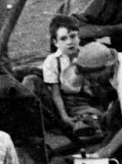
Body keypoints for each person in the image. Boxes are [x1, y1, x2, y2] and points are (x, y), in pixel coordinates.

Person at [39, 14, 106, 143]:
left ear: (79, 37)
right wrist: (64, 116)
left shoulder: (87, 54)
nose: (69, 42)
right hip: (65, 102)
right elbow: (56, 93)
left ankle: (87, 126)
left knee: (95, 118)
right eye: (63, 38)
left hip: (86, 101)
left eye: (73, 36)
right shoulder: (52, 61)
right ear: (55, 42)